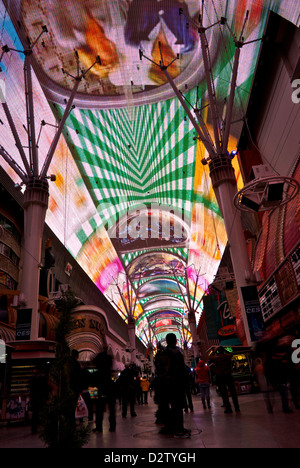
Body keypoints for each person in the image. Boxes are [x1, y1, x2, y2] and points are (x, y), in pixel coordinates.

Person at [158, 333, 191, 437]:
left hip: (170, 384)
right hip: (176, 383)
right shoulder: (175, 352)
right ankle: (178, 429)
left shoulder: (165, 353)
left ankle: (179, 427)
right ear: (175, 340)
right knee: (177, 406)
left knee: (176, 406)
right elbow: (179, 367)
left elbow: (161, 369)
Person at [209, 346, 240, 414]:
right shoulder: (227, 357)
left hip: (220, 376)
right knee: (233, 392)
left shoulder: (216, 358)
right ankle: (237, 407)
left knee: (224, 393)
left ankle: (228, 408)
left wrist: (214, 350)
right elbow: (232, 353)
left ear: (218, 352)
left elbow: (210, 357)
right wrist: (226, 350)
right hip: (228, 375)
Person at [93, 346, 116, 432]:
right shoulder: (109, 358)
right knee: (111, 407)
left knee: (99, 407)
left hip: (100, 384)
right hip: (109, 384)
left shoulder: (99, 357)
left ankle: (99, 427)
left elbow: (94, 362)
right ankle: (112, 426)